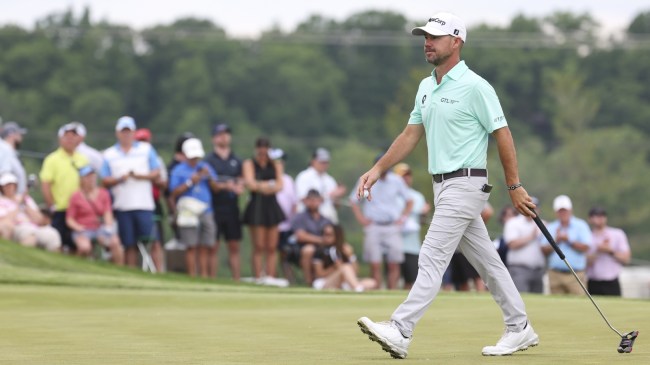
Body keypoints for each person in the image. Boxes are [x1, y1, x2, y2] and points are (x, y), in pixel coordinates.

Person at [355, 13, 539, 359]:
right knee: (488, 264)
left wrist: (514, 186)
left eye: (435, 37)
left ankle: (401, 329)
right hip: (442, 188)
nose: (427, 42)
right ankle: (520, 327)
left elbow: (503, 134)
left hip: (467, 184)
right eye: (425, 37)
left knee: (432, 254)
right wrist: (378, 168)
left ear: (456, 42)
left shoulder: (476, 86)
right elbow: (411, 134)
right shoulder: (427, 86)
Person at [100, 116, 161, 268]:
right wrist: (121, 179)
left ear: (134, 133)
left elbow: (156, 173)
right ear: (117, 133)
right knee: (129, 244)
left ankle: (160, 274)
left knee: (153, 241)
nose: (126, 135)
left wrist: (139, 176)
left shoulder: (146, 150)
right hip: (122, 206)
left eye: (129, 131)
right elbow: (105, 180)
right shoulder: (109, 154)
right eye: (123, 131)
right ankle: (132, 273)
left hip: (144, 205)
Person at [169, 138, 219, 278]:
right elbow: (174, 192)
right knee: (191, 246)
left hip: (206, 210)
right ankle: (192, 276)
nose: (194, 160)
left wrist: (208, 176)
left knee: (205, 246)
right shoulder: (179, 170)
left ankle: (204, 276)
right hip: (188, 212)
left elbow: (216, 188)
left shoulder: (205, 167)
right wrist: (191, 181)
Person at [40, 123, 89, 252]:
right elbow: (46, 184)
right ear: (60, 139)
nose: (70, 139)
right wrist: (51, 205)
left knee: (76, 243)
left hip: (78, 210)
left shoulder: (83, 159)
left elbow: (87, 184)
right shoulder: (52, 159)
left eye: (73, 136)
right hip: (60, 209)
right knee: (58, 242)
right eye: (66, 136)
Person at [203, 123, 244, 280]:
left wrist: (239, 186)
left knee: (234, 246)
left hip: (232, 208)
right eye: (220, 134)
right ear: (214, 138)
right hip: (214, 207)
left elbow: (241, 180)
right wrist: (226, 186)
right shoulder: (209, 160)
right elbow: (211, 184)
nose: (224, 137)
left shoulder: (236, 160)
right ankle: (212, 279)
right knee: (213, 246)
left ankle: (237, 281)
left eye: (226, 134)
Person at [241, 137, 285, 280]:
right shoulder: (249, 163)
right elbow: (251, 184)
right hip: (256, 205)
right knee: (259, 245)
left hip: (271, 205)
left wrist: (262, 186)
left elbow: (280, 185)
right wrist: (268, 185)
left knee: (272, 246)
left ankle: (270, 276)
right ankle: (258, 276)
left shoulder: (276, 164)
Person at [66, 166, 124, 265]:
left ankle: (119, 269)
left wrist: (108, 226)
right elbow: (69, 219)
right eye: (88, 177)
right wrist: (78, 227)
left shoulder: (103, 193)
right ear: (82, 179)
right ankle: (79, 268)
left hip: (100, 228)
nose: (91, 179)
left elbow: (107, 212)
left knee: (115, 243)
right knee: (84, 247)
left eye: (92, 176)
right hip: (83, 228)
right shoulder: (76, 196)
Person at [541, 195, 593, 295]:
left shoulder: (581, 225)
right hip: (555, 274)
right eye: (560, 211)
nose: (563, 213)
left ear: (570, 210)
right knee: (556, 306)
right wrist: (556, 241)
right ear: (556, 212)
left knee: (579, 305)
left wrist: (568, 240)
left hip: (576, 274)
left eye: (565, 210)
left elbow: (586, 247)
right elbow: (544, 250)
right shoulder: (551, 227)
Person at [0, 172, 61, 252]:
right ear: (2, 187)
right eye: (7, 185)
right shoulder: (1, 200)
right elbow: (5, 221)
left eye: (12, 185)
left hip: (35, 227)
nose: (10, 187)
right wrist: (18, 205)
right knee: (30, 234)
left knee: (53, 235)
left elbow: (40, 220)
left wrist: (25, 205)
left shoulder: (26, 199)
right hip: (17, 227)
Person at [392, 163, 430, 290]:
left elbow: (422, 221)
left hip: (412, 245)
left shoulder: (418, 196)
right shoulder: (392, 195)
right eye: (403, 176)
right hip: (394, 242)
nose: (406, 178)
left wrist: (424, 213)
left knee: (411, 279)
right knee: (393, 275)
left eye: (408, 175)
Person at [134, 127, 167, 272]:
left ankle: (159, 272)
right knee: (132, 243)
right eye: (140, 141)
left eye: (145, 141)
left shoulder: (156, 159)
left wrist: (150, 178)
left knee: (155, 240)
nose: (143, 144)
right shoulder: (131, 157)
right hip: (133, 202)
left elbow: (164, 183)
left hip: (152, 203)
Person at [312, 224, 376, 292]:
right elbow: (319, 274)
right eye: (324, 234)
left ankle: (355, 287)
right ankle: (358, 289)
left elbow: (355, 272)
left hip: (343, 281)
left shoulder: (343, 250)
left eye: (329, 235)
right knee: (345, 267)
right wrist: (335, 268)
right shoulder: (320, 251)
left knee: (372, 283)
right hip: (326, 281)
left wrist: (351, 256)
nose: (326, 237)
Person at [289, 189, 332, 285]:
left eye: (316, 200)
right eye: (311, 200)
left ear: (321, 201)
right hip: (302, 249)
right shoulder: (300, 217)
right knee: (309, 250)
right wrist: (321, 240)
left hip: (324, 249)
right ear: (306, 201)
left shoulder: (326, 219)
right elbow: (301, 236)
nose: (313, 203)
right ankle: (309, 282)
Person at [503, 197, 545, 293]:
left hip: (538, 270)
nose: (532, 210)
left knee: (538, 302)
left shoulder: (543, 224)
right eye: (529, 207)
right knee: (521, 299)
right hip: (519, 269)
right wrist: (531, 236)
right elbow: (512, 244)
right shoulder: (513, 222)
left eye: (534, 207)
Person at [586, 206, 631, 296]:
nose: (600, 218)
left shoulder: (617, 234)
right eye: (597, 215)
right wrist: (598, 251)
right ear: (590, 219)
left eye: (602, 215)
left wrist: (610, 251)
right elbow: (584, 262)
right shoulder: (587, 236)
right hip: (593, 282)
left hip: (612, 282)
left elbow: (626, 259)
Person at [294, 148, 346, 224]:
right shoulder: (304, 176)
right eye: (321, 162)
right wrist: (330, 195)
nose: (324, 165)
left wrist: (338, 196)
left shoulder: (330, 179)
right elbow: (304, 199)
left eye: (326, 162)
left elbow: (336, 205)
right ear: (313, 161)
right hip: (310, 220)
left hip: (329, 219)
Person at [272, 148, 299, 283]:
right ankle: (271, 278)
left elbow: (294, 203)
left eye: (281, 162)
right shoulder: (268, 178)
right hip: (270, 225)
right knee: (270, 253)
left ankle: (289, 280)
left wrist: (293, 223)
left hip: (286, 225)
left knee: (285, 255)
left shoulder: (288, 180)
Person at [0, 121, 28, 194]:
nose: (21, 136)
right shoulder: (5, 149)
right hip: (7, 199)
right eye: (19, 134)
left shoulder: (11, 151)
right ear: (11, 134)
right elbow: (5, 175)